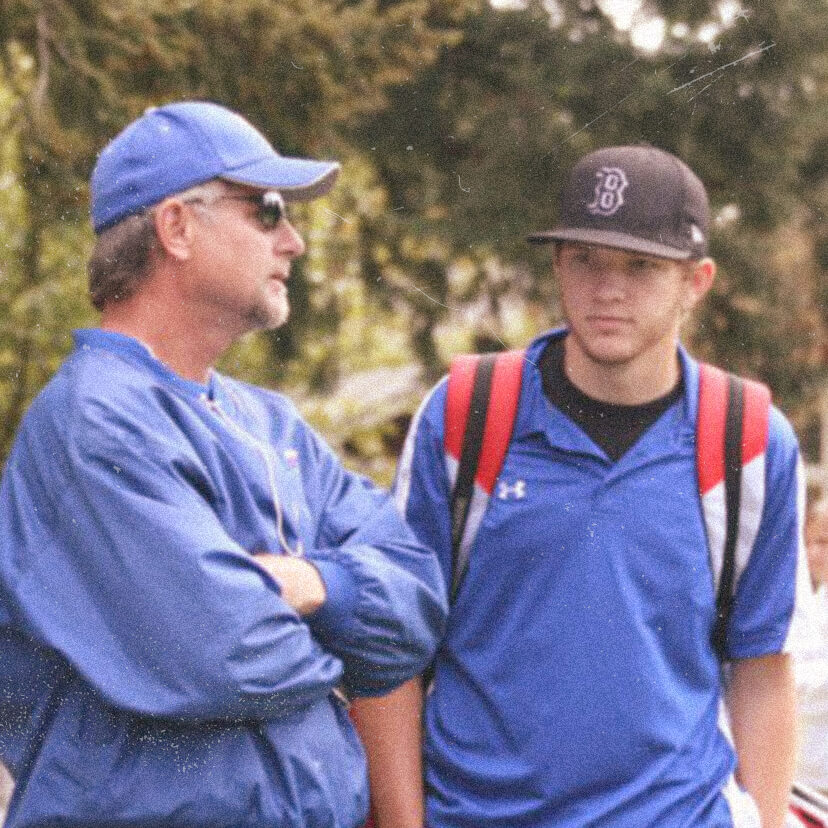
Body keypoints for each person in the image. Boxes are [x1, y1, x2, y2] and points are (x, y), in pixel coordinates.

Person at [0, 100, 447, 827]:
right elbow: (232, 652)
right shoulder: (96, 421)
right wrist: (350, 652)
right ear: (176, 227)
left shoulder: (272, 424)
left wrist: (313, 584)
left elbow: (419, 602)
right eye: (268, 210)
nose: (295, 241)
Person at [357, 145, 811, 828]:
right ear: (557, 265)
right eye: (584, 259)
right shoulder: (469, 413)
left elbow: (763, 666)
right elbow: (391, 650)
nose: (608, 289)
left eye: (641, 266)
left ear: (697, 281)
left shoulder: (748, 441)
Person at [794, 495, 828, 794]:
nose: (813, 552)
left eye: (824, 542)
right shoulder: (808, 606)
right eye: (811, 542)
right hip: (805, 782)